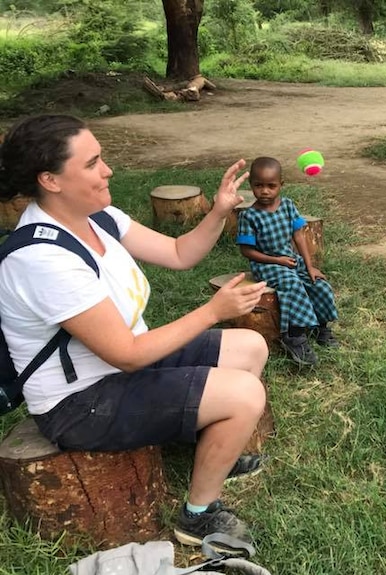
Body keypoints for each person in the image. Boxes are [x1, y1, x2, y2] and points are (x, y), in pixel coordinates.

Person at [0, 115, 269, 548]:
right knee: (244, 394)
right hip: (80, 401)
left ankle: (204, 445)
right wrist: (212, 311)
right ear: (50, 179)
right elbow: (125, 354)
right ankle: (198, 515)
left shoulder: (97, 216)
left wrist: (219, 211)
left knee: (250, 348)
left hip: (122, 369)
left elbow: (179, 253)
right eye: (92, 163)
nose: (107, 170)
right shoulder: (41, 257)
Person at [237, 157, 339, 367]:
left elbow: (299, 236)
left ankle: (321, 326)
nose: (265, 191)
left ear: (281, 185)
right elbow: (247, 251)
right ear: (251, 186)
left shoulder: (288, 206)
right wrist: (277, 260)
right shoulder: (249, 216)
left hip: (290, 260)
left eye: (271, 186)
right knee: (291, 285)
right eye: (259, 185)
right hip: (266, 265)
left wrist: (309, 266)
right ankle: (294, 335)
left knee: (318, 284)